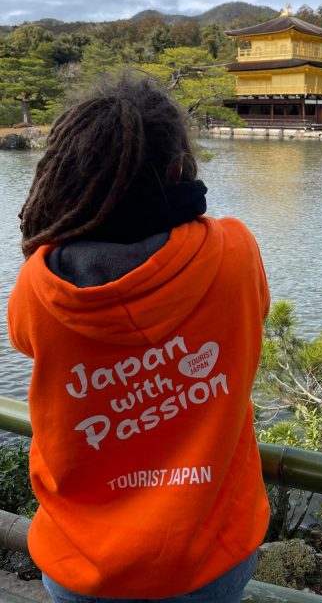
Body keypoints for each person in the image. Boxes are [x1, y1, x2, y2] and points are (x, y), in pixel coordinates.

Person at [8, 76, 270, 603]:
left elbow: (26, 344)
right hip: (209, 557)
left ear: (69, 176)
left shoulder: (39, 287)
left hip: (80, 558)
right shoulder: (235, 253)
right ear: (177, 167)